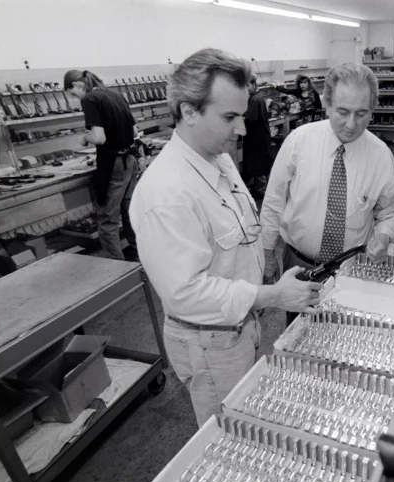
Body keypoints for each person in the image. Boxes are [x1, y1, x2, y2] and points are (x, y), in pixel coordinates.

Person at [129, 48, 322, 426]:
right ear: (188, 111)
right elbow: (185, 294)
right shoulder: (166, 193)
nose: (242, 129)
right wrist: (273, 295)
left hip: (240, 325)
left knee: (247, 414)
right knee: (230, 431)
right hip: (210, 341)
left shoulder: (216, 159)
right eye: (229, 117)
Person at [261, 63, 394, 322]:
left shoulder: (380, 156)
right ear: (327, 104)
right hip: (300, 267)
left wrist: (383, 238)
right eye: (342, 112)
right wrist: (267, 252)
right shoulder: (299, 142)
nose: (351, 124)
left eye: (362, 113)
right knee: (297, 343)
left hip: (352, 270)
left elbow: (389, 212)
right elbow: (274, 200)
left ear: (372, 110)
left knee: (344, 340)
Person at [64, 69, 139, 260]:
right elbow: (135, 132)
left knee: (107, 220)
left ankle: (117, 267)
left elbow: (99, 137)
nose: (76, 98)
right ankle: (140, 253)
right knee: (130, 212)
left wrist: (84, 137)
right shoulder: (115, 95)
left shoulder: (89, 99)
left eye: (73, 94)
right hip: (130, 159)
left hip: (113, 164)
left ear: (77, 85)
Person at [242, 74, 274, 197]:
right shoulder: (256, 97)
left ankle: (261, 191)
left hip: (257, 138)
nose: (246, 88)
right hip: (260, 137)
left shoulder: (255, 99)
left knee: (258, 164)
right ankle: (261, 188)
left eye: (248, 85)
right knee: (261, 163)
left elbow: (251, 118)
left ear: (255, 84)